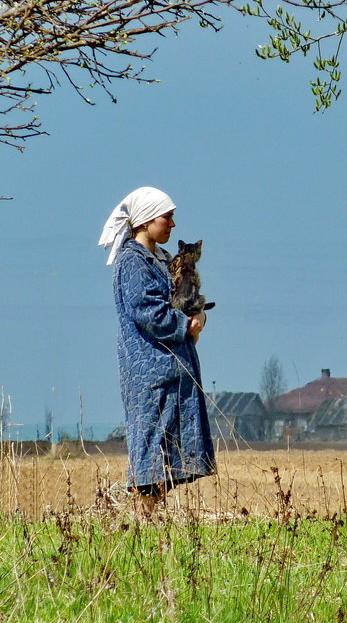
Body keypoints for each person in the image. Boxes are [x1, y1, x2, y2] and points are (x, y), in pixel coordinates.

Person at [99, 187, 216, 517]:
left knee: (169, 458)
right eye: (168, 217)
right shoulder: (132, 262)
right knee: (153, 455)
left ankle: (145, 524)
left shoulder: (160, 260)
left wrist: (199, 313)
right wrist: (186, 325)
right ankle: (141, 524)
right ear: (147, 220)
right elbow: (149, 313)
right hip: (152, 374)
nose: (173, 224)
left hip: (171, 371)